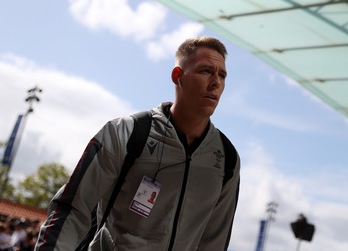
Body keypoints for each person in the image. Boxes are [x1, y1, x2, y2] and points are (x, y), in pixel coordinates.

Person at [34, 36, 240, 251]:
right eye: (206, 71)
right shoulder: (125, 132)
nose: (216, 82)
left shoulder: (227, 159)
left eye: (222, 75)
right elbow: (72, 209)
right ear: (177, 76)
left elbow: (213, 242)